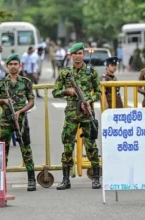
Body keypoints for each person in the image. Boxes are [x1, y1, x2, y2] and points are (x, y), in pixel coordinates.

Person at [52, 42, 102, 190]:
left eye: (80, 53)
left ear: (84, 55)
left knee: (91, 146)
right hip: (71, 114)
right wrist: (67, 91)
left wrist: (89, 100)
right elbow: (55, 92)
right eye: (75, 54)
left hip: (87, 113)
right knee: (67, 145)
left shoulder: (91, 71)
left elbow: (98, 92)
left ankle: (96, 178)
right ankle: (66, 179)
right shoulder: (65, 73)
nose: (78, 56)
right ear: (71, 55)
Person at [0, 54, 37, 192]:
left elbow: (31, 101)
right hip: (5, 120)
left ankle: (31, 179)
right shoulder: (0, 83)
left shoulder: (26, 82)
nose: (13, 66)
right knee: (3, 150)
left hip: (21, 120)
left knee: (26, 148)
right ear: (7, 66)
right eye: (11, 64)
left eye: (16, 64)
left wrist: (20, 111)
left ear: (20, 65)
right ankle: (0, 181)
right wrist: (2, 101)